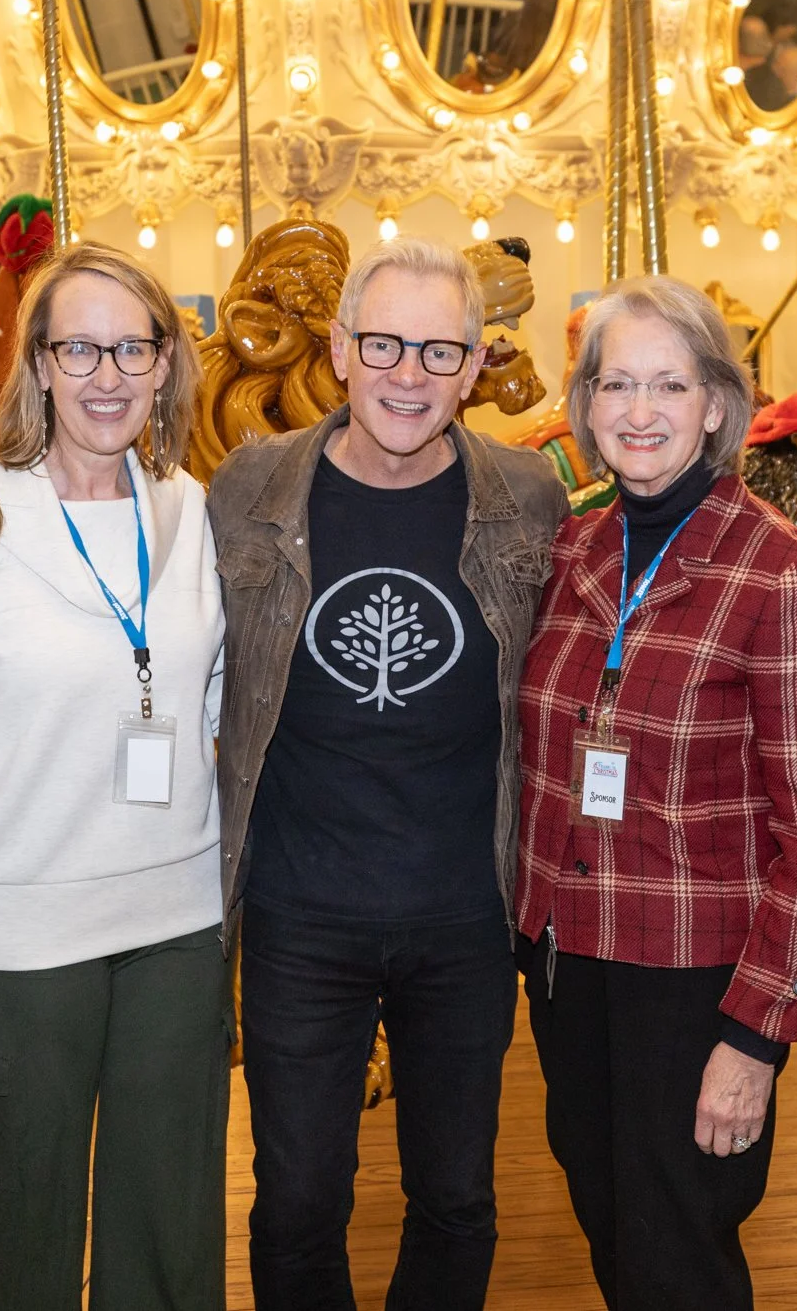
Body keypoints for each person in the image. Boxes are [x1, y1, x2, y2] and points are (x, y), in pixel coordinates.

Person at [210, 236, 568, 1310]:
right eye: (383, 345)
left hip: (462, 909)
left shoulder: (527, 496)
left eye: (436, 350)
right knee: (296, 1199)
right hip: (297, 909)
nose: (407, 375)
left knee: (456, 1194)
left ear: (471, 366)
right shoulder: (249, 484)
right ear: (339, 348)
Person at [515, 275, 797, 1309]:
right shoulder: (572, 549)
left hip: (694, 977)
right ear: (582, 408)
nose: (636, 410)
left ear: (715, 403)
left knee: (679, 1261)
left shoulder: (778, 574)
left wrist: (755, 1033)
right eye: (613, 383)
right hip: (569, 963)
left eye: (667, 384)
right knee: (615, 1237)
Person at [0, 241, 229, 1311]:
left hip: (176, 918)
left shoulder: (191, 510)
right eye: (79, 348)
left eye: (132, 347)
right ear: (36, 365)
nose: (107, 374)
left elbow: (206, 696)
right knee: (23, 1224)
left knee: (168, 1228)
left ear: (166, 364)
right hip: (25, 931)